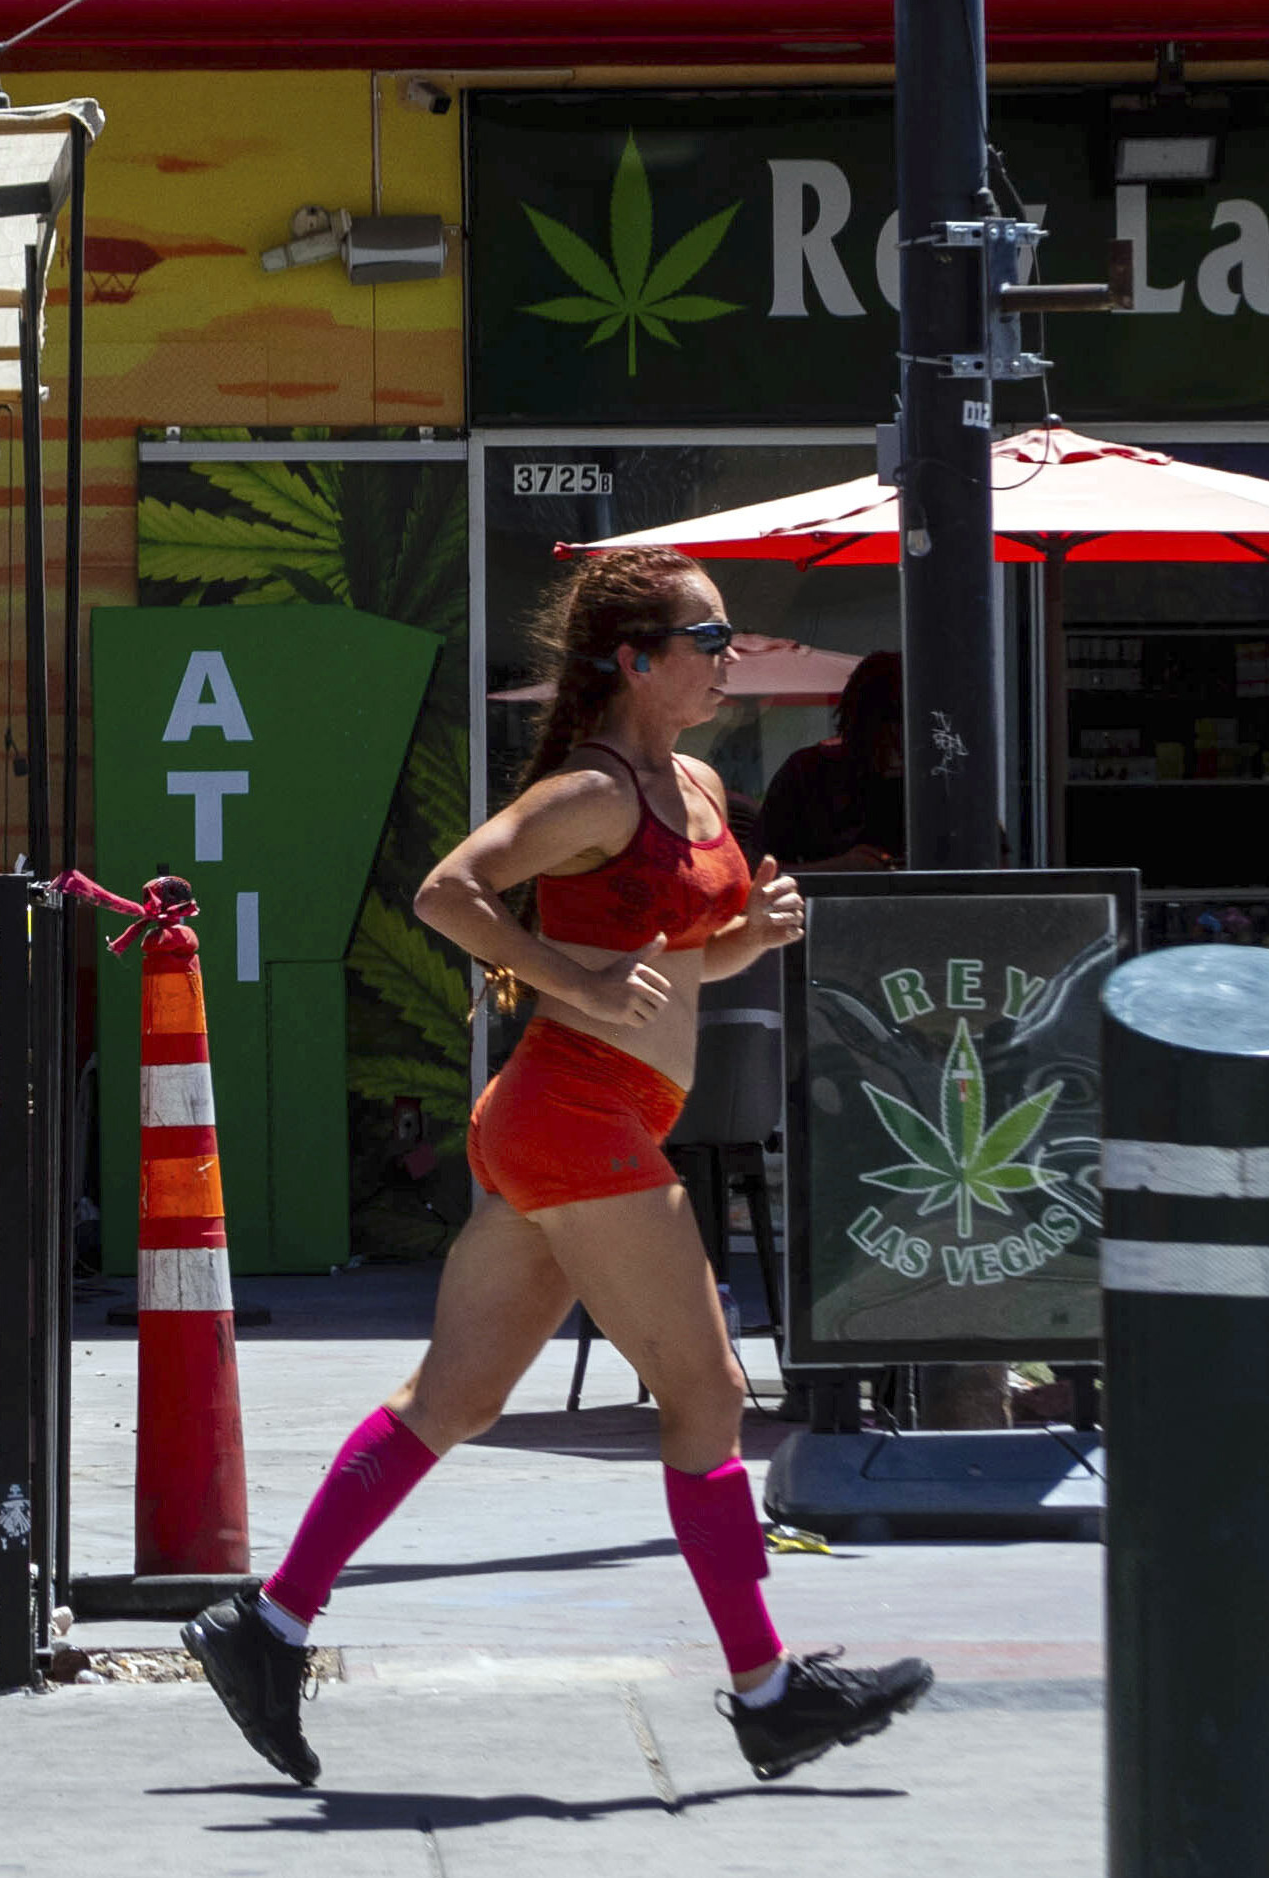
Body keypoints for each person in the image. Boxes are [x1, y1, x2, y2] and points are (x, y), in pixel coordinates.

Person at [185, 547, 933, 1788]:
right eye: (709, 634)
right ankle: (766, 1691)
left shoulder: (691, 781)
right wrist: (573, 975)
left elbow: (693, 955)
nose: (729, 653)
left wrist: (758, 927)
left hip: (574, 1122)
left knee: (452, 1400)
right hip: (576, 1117)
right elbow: (446, 892)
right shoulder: (593, 792)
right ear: (637, 659)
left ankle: (265, 1625)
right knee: (708, 1400)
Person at [755, 649, 906, 869]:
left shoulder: (936, 779)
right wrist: (838, 869)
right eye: (893, 720)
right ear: (863, 720)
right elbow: (755, 868)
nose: (901, 738)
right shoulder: (809, 772)